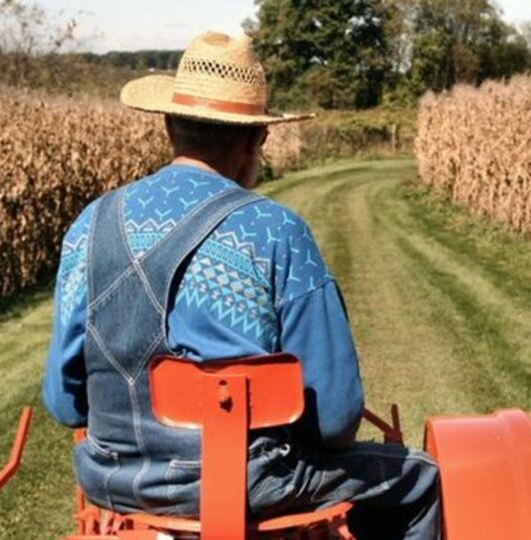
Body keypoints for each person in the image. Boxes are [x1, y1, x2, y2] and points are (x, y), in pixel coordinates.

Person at [41, 31, 441, 540]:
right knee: (420, 478)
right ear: (257, 139)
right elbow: (336, 419)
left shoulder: (89, 226)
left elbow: (65, 403)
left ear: (169, 126)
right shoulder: (276, 232)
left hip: (112, 481)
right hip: (248, 485)